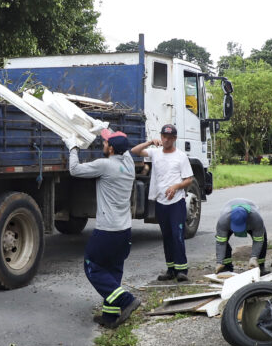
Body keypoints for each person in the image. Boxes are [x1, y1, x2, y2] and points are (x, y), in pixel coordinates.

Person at [69, 129, 142, 329]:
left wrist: (73, 147)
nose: (103, 145)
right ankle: (110, 317)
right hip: (124, 230)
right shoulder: (129, 165)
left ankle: (127, 300)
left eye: (106, 143)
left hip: (107, 231)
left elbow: (74, 170)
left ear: (110, 149)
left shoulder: (104, 165)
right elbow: (123, 146)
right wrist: (104, 130)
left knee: (92, 266)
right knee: (113, 270)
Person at [131, 124, 193, 282]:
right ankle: (170, 269)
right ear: (161, 136)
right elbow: (135, 151)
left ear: (174, 139)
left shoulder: (181, 156)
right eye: (164, 137)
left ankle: (182, 270)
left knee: (177, 234)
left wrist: (176, 186)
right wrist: (150, 142)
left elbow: (189, 179)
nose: (166, 140)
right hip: (160, 202)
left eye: (170, 138)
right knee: (166, 236)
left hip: (176, 202)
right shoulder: (155, 153)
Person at [214, 198, 271, 276]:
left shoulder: (256, 219)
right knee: (223, 240)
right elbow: (221, 243)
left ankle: (259, 267)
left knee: (262, 239)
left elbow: (258, 240)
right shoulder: (223, 220)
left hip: (251, 222)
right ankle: (226, 267)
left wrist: (254, 257)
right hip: (228, 220)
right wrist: (219, 262)